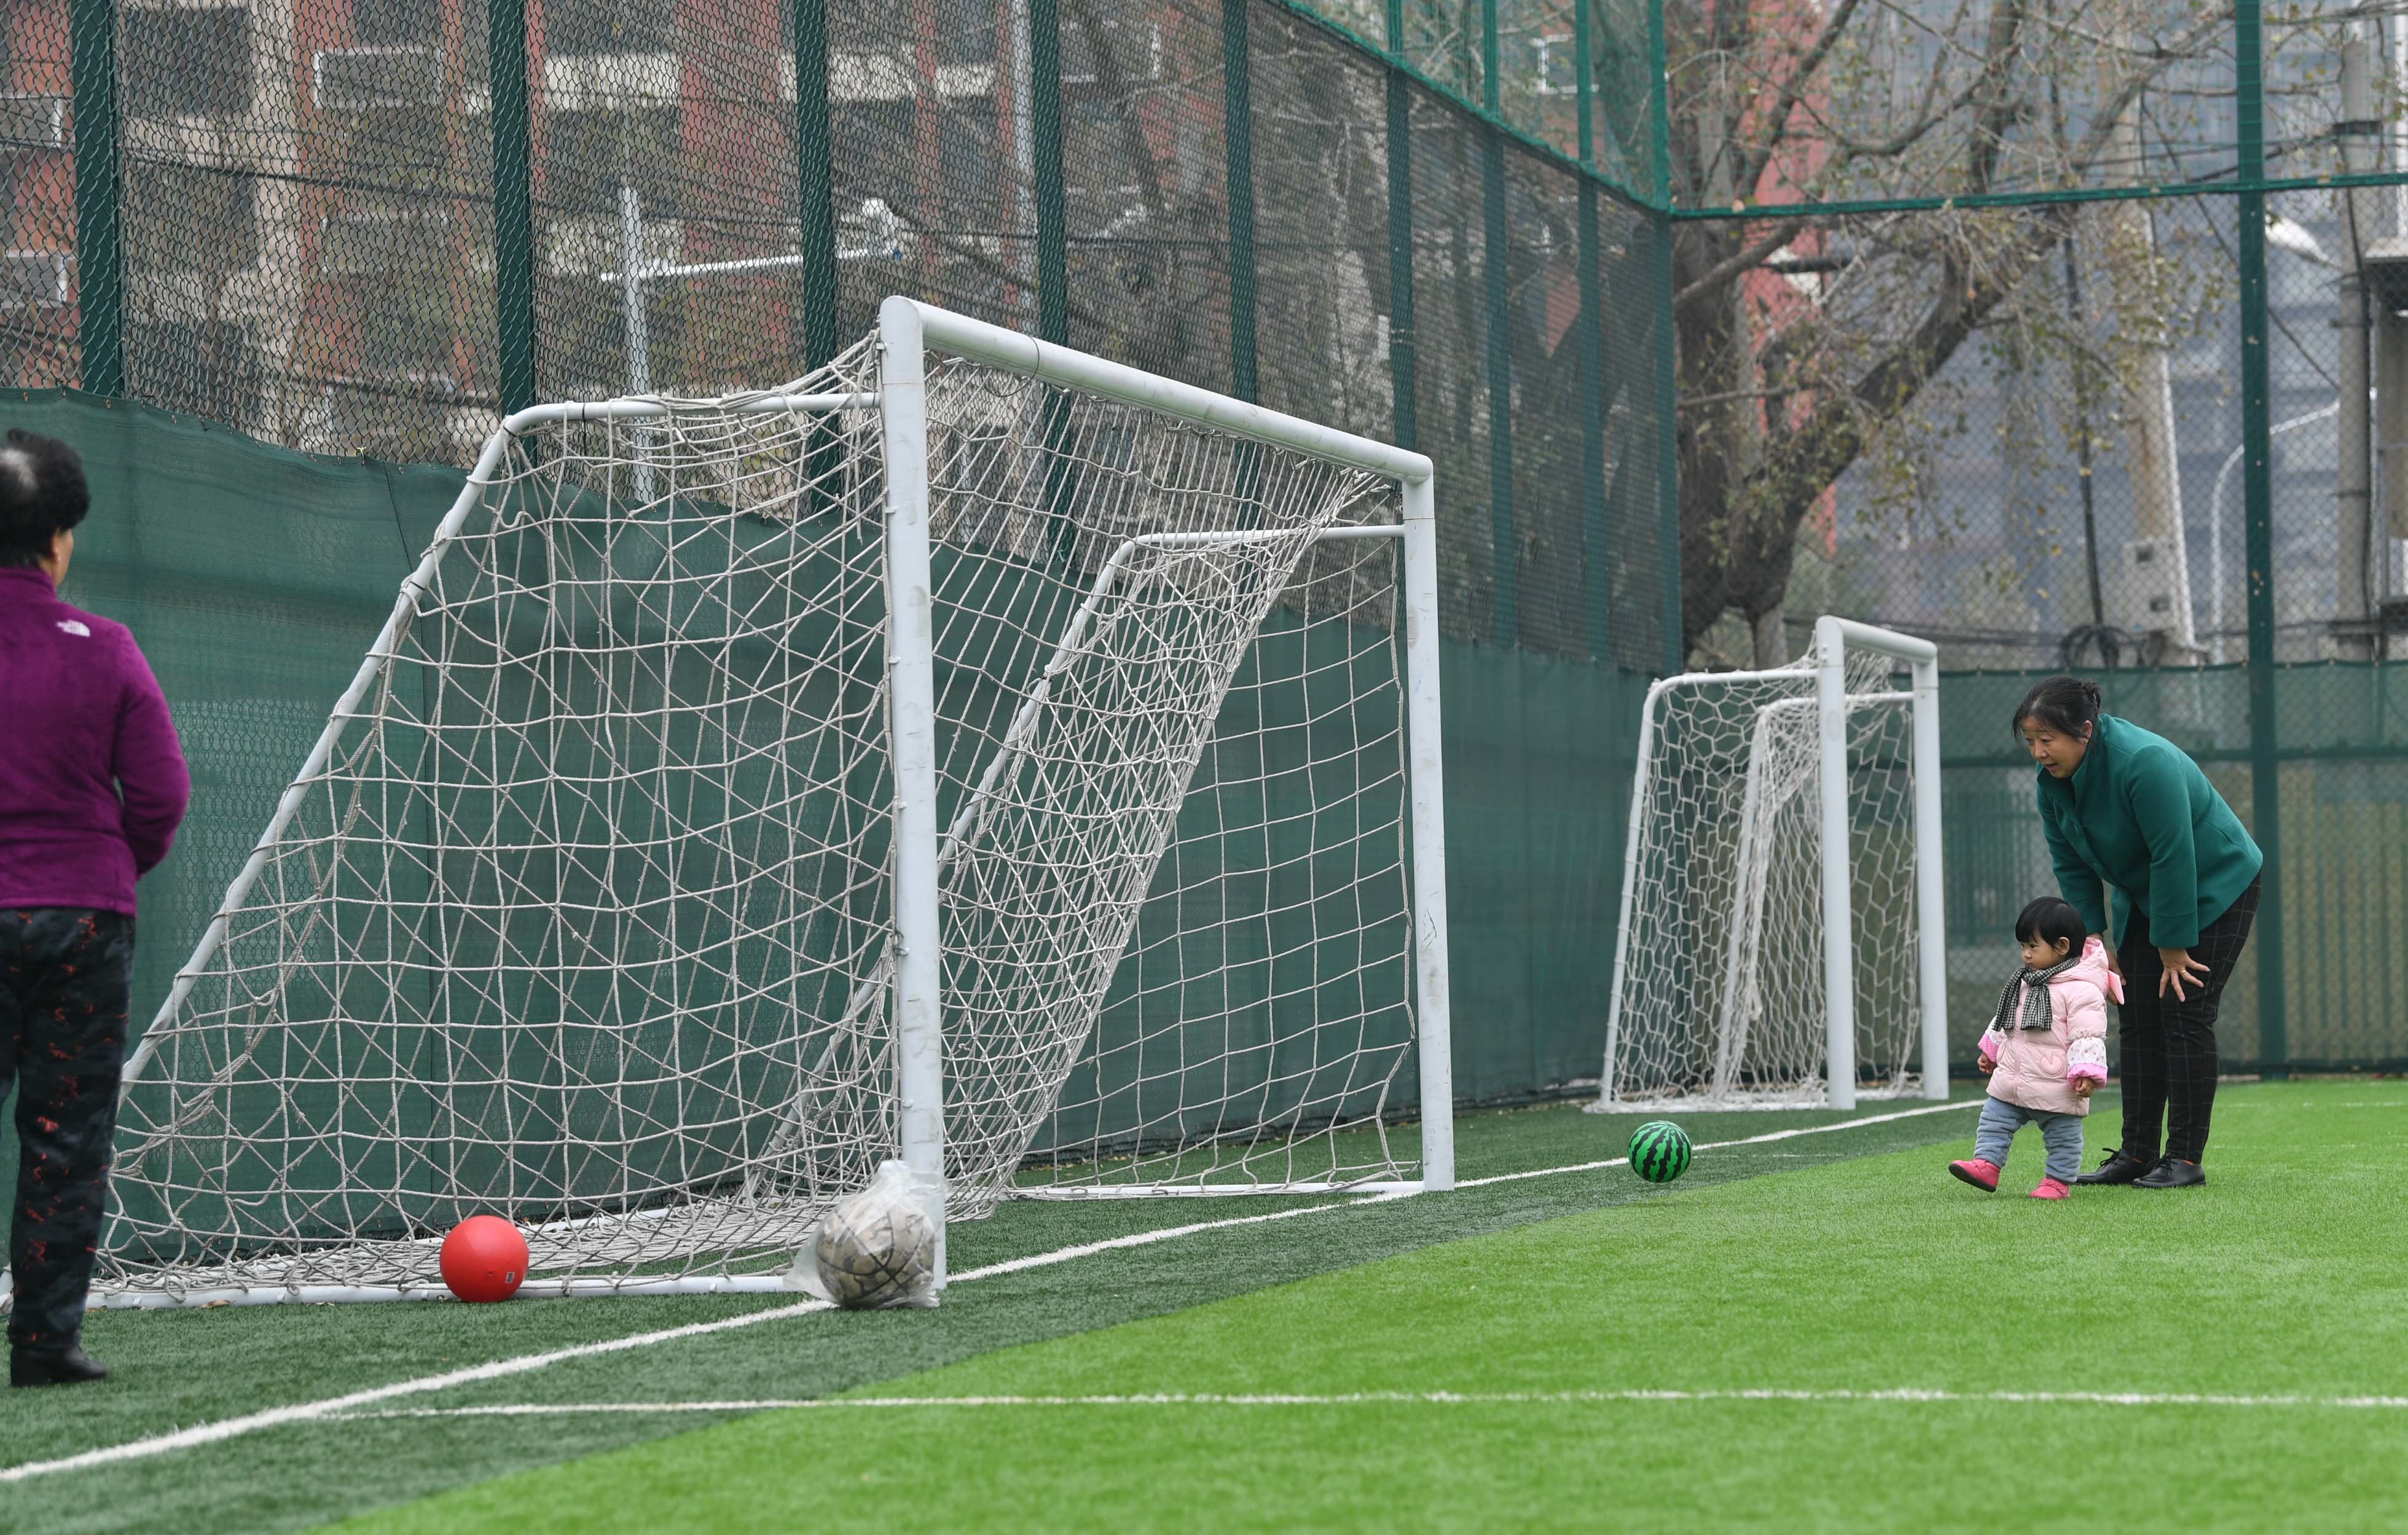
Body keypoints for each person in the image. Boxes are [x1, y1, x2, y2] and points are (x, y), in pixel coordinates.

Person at [0, 429, 189, 1387]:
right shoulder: (105, 648)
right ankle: (43, 1342)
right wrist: (108, 867)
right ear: (62, 536)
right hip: (80, 916)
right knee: (64, 1135)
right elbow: (159, 795)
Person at [2016, 675, 2262, 1190]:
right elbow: (2071, 865)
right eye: (2030, 740)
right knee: (2137, 1016)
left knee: (2185, 1014)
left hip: (2217, 882)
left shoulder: (2143, 762)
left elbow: (2175, 853)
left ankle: (2185, 1158)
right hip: (2146, 892)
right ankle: (2136, 1153)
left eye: (2048, 739)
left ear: (2085, 730)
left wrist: (2172, 948)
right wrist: (2092, 939)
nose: (2039, 751)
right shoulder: (2051, 787)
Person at [1948, 897, 2116, 1200]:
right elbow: (2006, 1019)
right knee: (1993, 1120)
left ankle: (2057, 1182)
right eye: (2023, 946)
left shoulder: (2082, 990)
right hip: (2013, 1077)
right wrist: (1993, 1050)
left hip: (2057, 1083)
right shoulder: (2024, 982)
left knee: (2063, 1137)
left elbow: (2088, 1036)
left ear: (2062, 947)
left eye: (2032, 946)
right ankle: (1987, 1164)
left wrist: (2086, 1072)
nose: (2025, 954)